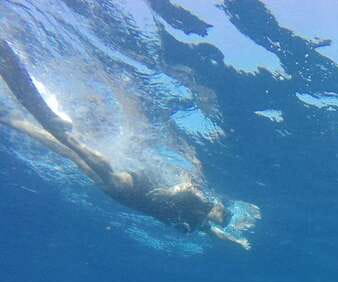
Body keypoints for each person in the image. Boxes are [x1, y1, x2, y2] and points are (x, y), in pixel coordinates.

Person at [0, 39, 259, 249]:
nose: (215, 219)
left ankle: (44, 126)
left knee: (79, 155)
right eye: (219, 215)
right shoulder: (200, 206)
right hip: (130, 190)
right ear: (218, 208)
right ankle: (21, 120)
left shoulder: (200, 218)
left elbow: (212, 231)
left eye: (219, 220)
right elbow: (188, 195)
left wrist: (237, 241)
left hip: (127, 193)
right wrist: (175, 193)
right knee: (73, 152)